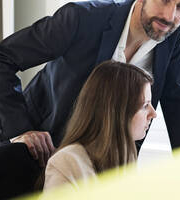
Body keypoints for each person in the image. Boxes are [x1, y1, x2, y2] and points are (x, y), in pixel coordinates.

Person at [0, 0, 180, 167]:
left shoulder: (171, 33)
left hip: (104, 165)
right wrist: (20, 130)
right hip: (40, 151)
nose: (170, 15)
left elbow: (176, 102)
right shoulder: (81, 18)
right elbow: (1, 58)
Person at [42, 61, 156, 190]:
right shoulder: (67, 163)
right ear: (116, 110)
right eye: (145, 106)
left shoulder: (125, 155)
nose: (153, 113)